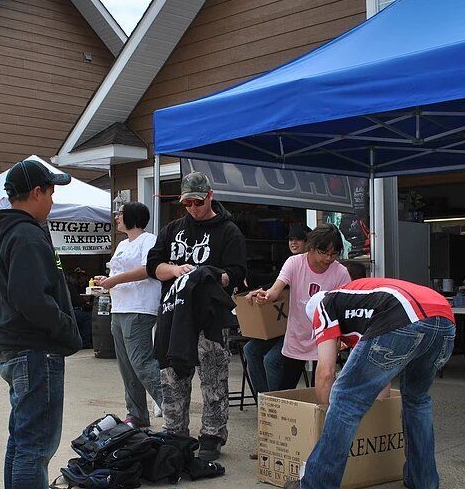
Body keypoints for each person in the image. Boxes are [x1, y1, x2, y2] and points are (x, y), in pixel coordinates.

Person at [0, 158, 85, 489]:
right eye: (51, 191)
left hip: (16, 347)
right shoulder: (25, 236)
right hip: (34, 349)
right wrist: (67, 329)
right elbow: (32, 299)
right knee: (35, 444)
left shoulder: (8, 231)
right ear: (37, 192)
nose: (54, 200)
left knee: (21, 438)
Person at [282, 278, 456, 489]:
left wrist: (327, 413)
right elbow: (380, 382)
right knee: (417, 399)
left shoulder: (323, 304)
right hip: (444, 318)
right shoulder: (361, 309)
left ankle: (317, 487)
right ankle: (423, 481)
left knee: (344, 398)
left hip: (404, 314)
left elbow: (325, 372)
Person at [146, 171, 246, 461]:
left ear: (210, 196)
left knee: (213, 377)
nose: (192, 208)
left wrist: (210, 277)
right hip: (174, 315)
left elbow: (237, 272)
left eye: (198, 203)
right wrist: (176, 271)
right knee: (172, 374)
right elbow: (153, 265)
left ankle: (213, 434)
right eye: (187, 203)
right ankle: (175, 431)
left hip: (210, 318)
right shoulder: (172, 228)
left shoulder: (228, 231)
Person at [247, 224, 351, 391]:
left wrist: (343, 338)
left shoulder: (341, 272)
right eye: (323, 253)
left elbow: (346, 308)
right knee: (286, 388)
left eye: (334, 254)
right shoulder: (294, 263)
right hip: (297, 336)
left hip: (325, 339)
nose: (328, 259)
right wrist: (265, 296)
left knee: (324, 386)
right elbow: (275, 290)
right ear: (312, 247)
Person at [94, 202, 164, 427]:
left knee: (142, 362)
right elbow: (118, 272)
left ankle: (171, 406)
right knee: (126, 365)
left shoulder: (149, 240)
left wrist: (113, 280)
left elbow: (147, 269)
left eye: (120, 214)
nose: (116, 217)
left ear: (133, 217)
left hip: (139, 308)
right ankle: (136, 413)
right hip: (119, 307)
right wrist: (105, 281)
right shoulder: (123, 244)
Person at [242, 224, 311, 394]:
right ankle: (264, 402)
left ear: (308, 242)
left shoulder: (309, 264)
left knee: (271, 360)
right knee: (249, 349)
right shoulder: (289, 262)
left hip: (302, 329)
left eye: (298, 239)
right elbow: (274, 283)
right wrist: (247, 280)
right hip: (281, 326)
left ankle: (275, 403)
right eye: (290, 239)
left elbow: (275, 285)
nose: (293, 243)